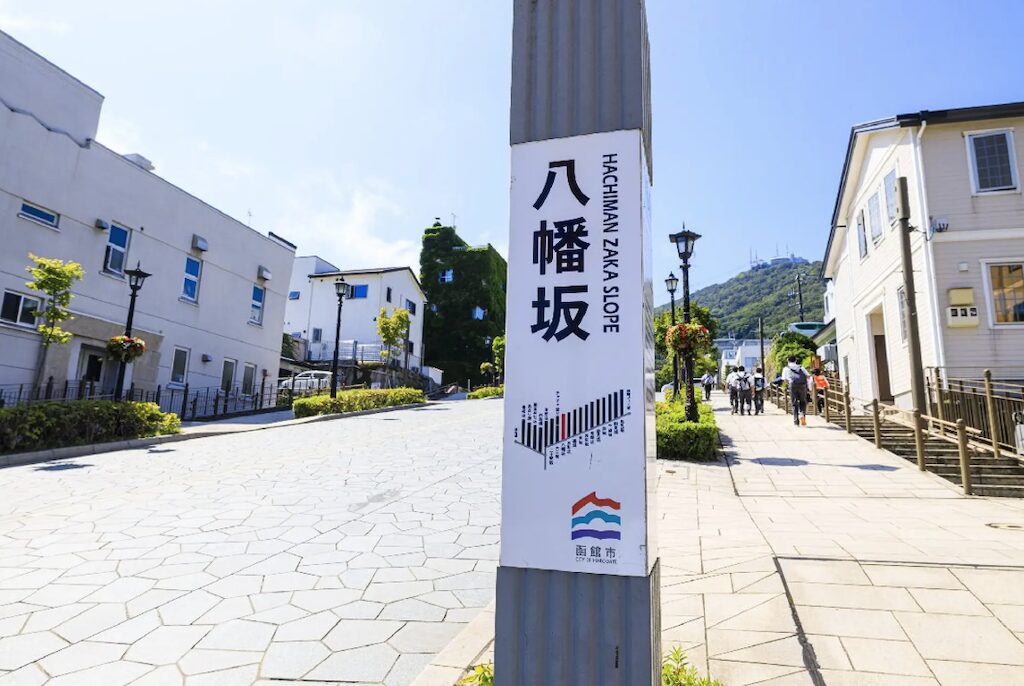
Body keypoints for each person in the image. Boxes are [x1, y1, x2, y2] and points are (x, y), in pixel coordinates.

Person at [782, 356, 812, 426]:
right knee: (803, 401)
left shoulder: (786, 368)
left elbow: (784, 379)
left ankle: (796, 421)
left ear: (788, 361)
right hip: (802, 385)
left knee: (794, 403)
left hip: (792, 385)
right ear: (796, 360)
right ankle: (802, 415)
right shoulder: (801, 367)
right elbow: (808, 376)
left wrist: (789, 384)